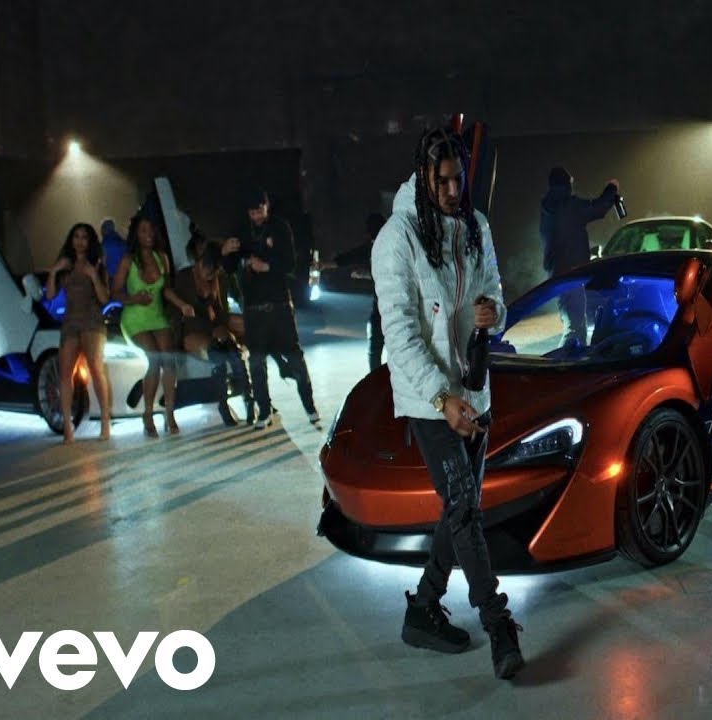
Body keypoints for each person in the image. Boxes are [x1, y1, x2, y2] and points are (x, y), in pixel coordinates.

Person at [373, 126, 524, 679]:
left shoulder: (476, 226)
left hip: (474, 390)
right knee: (463, 505)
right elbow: (401, 336)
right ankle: (499, 624)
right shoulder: (398, 238)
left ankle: (423, 610)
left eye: (459, 179)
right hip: (427, 398)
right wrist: (442, 399)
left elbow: (497, 295)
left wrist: (493, 312)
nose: (453, 190)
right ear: (422, 176)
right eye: (442, 181)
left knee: (460, 511)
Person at [220, 188, 319, 429]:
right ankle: (264, 411)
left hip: (279, 303)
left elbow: (290, 263)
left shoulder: (279, 227)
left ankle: (309, 406)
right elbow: (230, 267)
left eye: (260, 211)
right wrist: (226, 253)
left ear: (267, 206)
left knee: (294, 356)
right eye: (252, 212)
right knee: (256, 360)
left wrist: (267, 266)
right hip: (253, 307)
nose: (256, 216)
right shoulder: (241, 230)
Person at [112, 214, 193, 437]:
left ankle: (169, 413)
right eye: (143, 231)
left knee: (169, 361)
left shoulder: (161, 258)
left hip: (156, 315)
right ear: (136, 235)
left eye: (151, 230)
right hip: (134, 317)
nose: (148, 235)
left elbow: (166, 290)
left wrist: (182, 305)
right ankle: (147, 414)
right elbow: (115, 293)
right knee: (154, 360)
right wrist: (134, 298)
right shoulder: (128, 260)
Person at [173, 238, 251, 427]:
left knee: (234, 351)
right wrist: (182, 307)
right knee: (218, 354)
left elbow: (218, 310)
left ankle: (249, 399)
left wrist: (230, 324)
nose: (211, 274)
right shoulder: (184, 276)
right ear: (201, 262)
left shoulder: (215, 278)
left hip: (211, 325)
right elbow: (168, 294)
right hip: (192, 328)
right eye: (209, 269)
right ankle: (222, 404)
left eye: (215, 271)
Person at [45, 223, 112, 443]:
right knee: (65, 373)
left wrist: (93, 275)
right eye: (76, 236)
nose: (80, 241)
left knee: (95, 368)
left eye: (84, 237)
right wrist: (54, 271)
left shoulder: (97, 264)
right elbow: (50, 295)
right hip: (70, 321)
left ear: (90, 241)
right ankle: (68, 426)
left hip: (92, 320)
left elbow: (104, 298)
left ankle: (105, 422)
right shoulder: (65, 264)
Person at [538, 167, 619, 344]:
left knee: (577, 325)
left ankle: (576, 357)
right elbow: (598, 207)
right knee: (574, 328)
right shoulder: (568, 205)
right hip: (570, 274)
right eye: (571, 182)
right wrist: (611, 188)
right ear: (566, 184)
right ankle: (565, 359)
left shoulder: (548, 207)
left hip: (559, 273)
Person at [328, 211, 387, 370]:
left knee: (376, 350)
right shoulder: (385, 245)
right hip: (383, 306)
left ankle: (379, 379)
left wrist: (326, 264)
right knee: (378, 349)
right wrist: (366, 274)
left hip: (387, 307)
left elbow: (351, 256)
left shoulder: (380, 246)